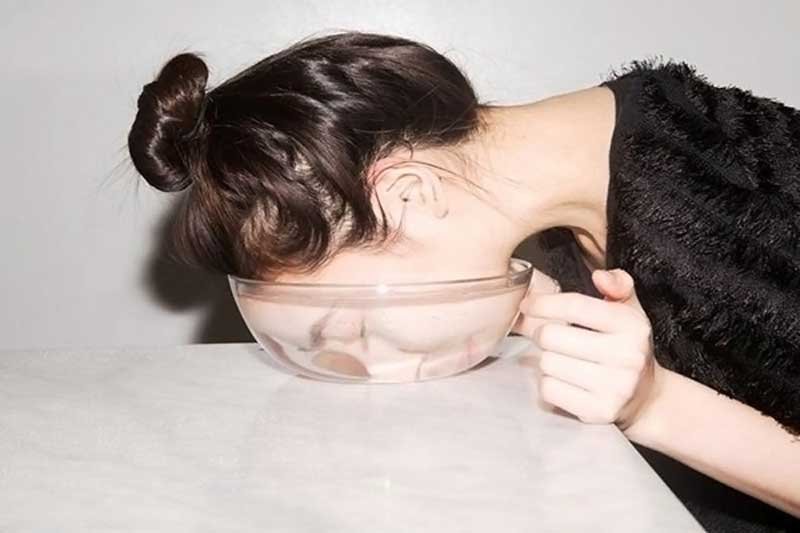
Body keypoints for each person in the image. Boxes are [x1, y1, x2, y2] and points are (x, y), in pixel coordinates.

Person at [127, 31, 800, 530]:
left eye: (354, 326)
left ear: (410, 194)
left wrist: (653, 405)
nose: (375, 365)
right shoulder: (598, 167)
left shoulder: (702, 201)